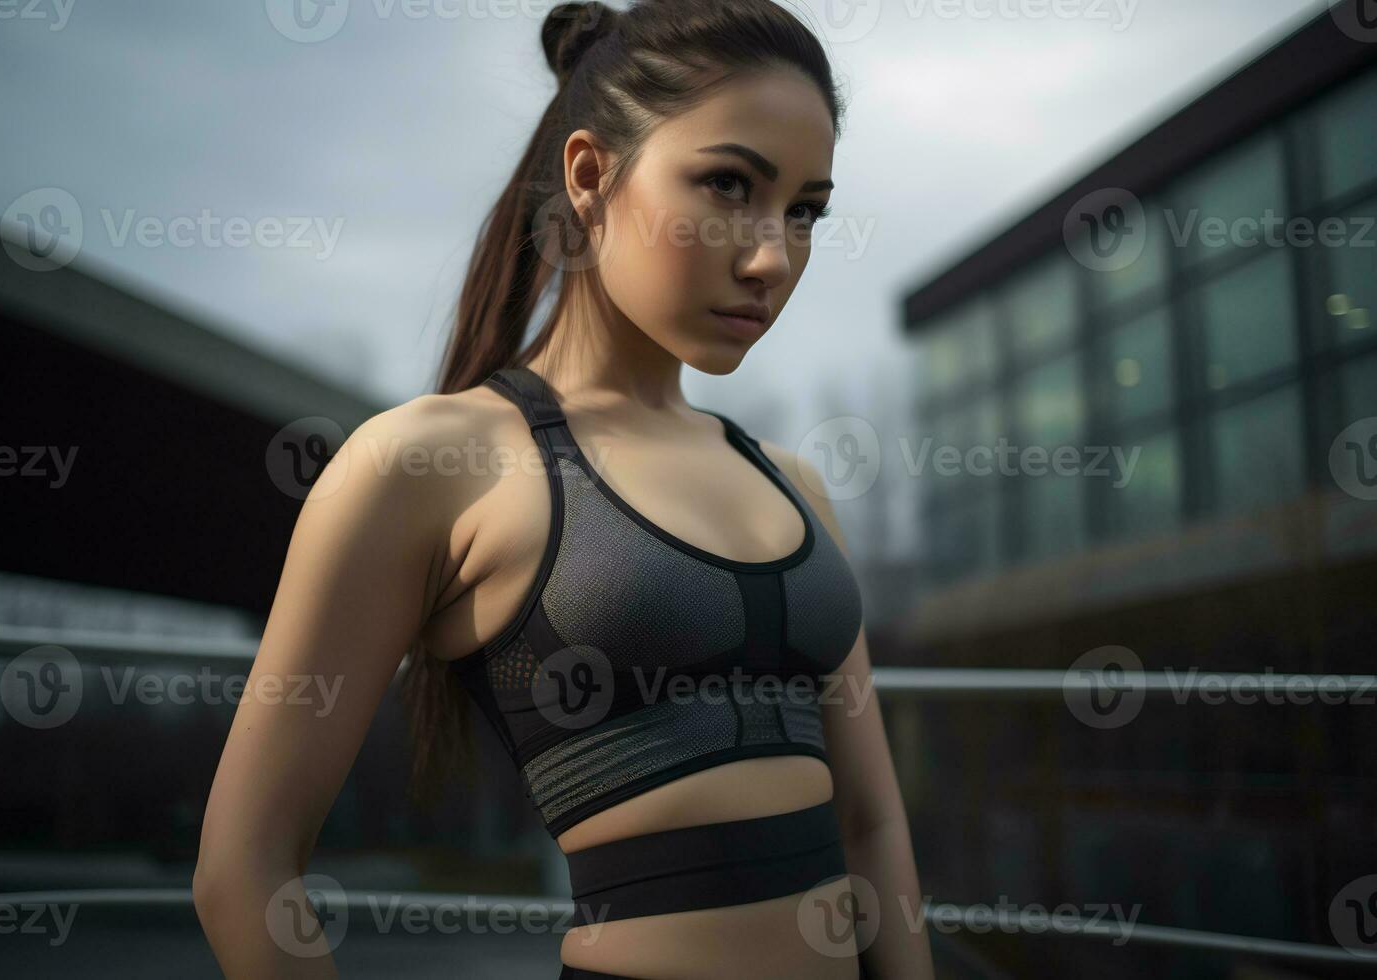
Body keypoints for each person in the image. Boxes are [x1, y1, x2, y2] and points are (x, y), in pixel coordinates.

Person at [193, 2, 934, 977]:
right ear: (590, 175)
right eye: (728, 184)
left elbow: (872, 824)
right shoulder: (430, 462)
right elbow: (243, 868)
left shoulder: (793, 484)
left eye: (804, 210)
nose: (772, 257)